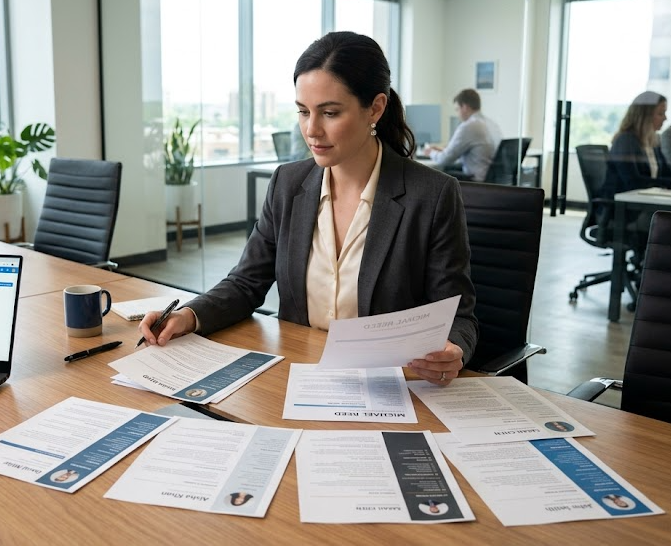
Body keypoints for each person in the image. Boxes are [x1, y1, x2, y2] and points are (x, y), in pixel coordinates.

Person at [139, 31, 477, 387]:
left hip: (388, 384)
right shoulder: (288, 184)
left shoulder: (433, 195)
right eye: (303, 112)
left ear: (375, 108)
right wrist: (191, 315)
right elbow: (246, 282)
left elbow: (458, 314)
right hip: (300, 373)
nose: (311, 130)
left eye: (330, 113)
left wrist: (453, 348)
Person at [600, 92, 671, 240]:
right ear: (644, 116)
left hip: (644, 205)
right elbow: (634, 182)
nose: (665, 118)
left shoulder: (652, 141)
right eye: (661, 113)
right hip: (625, 211)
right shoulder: (626, 140)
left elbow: (666, 172)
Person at [422, 89, 503, 182]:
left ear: (464, 107)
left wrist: (430, 152)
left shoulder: (469, 126)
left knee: (436, 175)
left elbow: (444, 159)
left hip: (476, 181)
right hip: (490, 179)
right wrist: (443, 150)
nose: (457, 114)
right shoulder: (490, 124)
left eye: (457, 109)